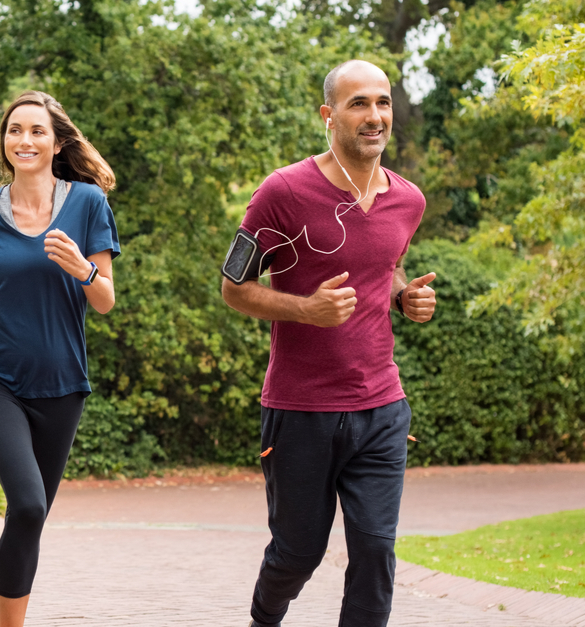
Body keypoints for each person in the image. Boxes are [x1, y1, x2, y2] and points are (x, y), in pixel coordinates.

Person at [221, 60, 438, 627]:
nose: (375, 116)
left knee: (375, 552)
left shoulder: (408, 200)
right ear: (329, 115)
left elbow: (385, 267)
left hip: (381, 406)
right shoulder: (282, 192)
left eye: (382, 102)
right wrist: (305, 310)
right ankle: (263, 619)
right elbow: (233, 287)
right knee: (298, 553)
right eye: (358, 103)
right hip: (300, 410)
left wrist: (403, 297)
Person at [0, 91, 119, 627]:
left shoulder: (87, 203)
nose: (24, 140)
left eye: (36, 131)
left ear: (57, 143)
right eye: (14, 130)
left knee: (32, 517)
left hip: (61, 383)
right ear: (4, 142)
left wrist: (82, 269)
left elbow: (105, 300)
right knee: (27, 502)